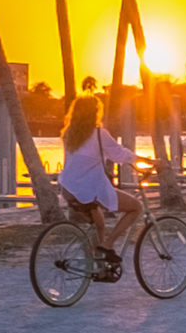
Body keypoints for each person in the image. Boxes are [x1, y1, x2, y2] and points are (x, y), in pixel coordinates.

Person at [57, 93, 142, 277]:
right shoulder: (99, 134)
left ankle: (101, 269)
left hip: (69, 189)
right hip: (87, 189)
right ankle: (108, 245)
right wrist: (146, 160)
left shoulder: (69, 134)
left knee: (99, 224)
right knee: (136, 207)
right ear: (95, 113)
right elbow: (120, 155)